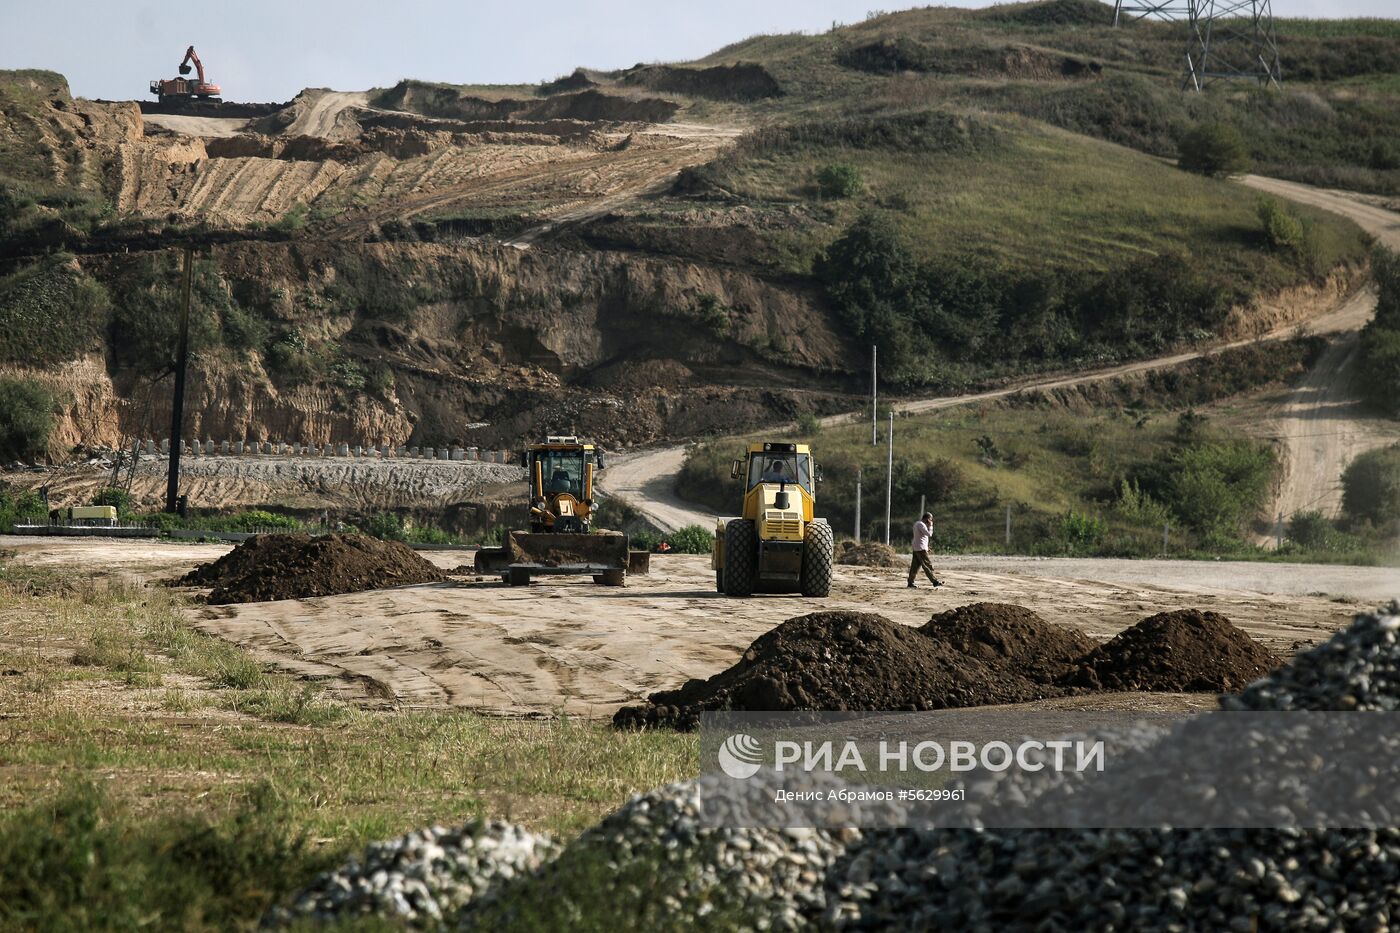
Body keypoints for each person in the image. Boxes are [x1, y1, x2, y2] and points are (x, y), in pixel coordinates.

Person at [907, 512, 943, 588]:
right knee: (927, 565)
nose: (930, 521)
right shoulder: (921, 524)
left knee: (915, 567)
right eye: (930, 519)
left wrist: (926, 547)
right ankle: (935, 581)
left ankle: (910, 582)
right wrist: (931, 526)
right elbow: (929, 534)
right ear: (927, 519)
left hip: (918, 548)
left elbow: (921, 537)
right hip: (920, 549)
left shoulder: (917, 524)